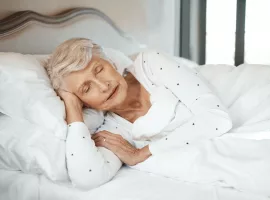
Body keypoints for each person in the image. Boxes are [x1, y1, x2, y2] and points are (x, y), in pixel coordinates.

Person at [45, 38, 232, 189]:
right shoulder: (113, 130)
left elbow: (217, 119)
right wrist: (73, 108)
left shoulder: (151, 64)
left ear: (110, 62)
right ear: (83, 102)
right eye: (86, 88)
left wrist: (143, 152)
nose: (103, 86)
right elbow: (88, 177)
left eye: (99, 69)